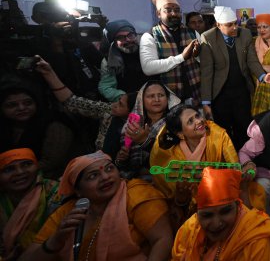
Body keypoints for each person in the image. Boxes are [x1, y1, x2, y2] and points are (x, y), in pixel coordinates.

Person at [19, 150, 173, 261]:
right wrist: (56, 240)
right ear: (78, 190)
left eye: (109, 169)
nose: (105, 177)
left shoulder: (137, 193)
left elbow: (162, 240)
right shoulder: (69, 212)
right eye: (93, 176)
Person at [150, 104, 266, 230]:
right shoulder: (172, 154)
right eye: (190, 121)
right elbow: (175, 198)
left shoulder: (217, 135)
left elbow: (235, 171)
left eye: (197, 116)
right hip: (193, 207)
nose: (199, 121)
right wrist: (182, 196)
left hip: (223, 193)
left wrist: (245, 169)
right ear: (180, 134)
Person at [171, 167, 270, 261]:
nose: (217, 223)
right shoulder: (190, 229)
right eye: (207, 215)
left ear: (238, 206)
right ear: (197, 214)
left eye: (225, 211)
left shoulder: (256, 240)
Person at [200, 6, 270, 150]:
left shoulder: (245, 34)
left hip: (241, 91)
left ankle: (245, 160)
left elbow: (251, 60)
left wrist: (263, 76)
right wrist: (206, 102)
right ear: (218, 25)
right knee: (224, 130)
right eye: (229, 25)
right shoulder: (209, 38)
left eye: (235, 23)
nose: (235, 27)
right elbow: (206, 72)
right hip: (220, 94)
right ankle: (229, 162)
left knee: (244, 127)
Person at [35, 57, 136, 154]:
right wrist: (49, 73)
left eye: (120, 105)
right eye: (118, 101)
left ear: (133, 111)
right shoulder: (109, 112)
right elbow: (72, 102)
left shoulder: (144, 130)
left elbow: (151, 169)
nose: (114, 105)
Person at [0, 76, 75, 180]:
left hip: (51, 180)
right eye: (12, 105)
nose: (21, 108)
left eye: (28, 103)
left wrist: (10, 173)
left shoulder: (54, 125)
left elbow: (50, 163)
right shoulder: (5, 127)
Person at [139, 0, 201, 106]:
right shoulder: (150, 36)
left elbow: (203, 62)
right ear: (158, 13)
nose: (174, 14)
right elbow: (148, 68)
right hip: (169, 100)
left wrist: (197, 56)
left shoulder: (192, 32)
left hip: (195, 94)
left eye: (177, 10)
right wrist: (181, 57)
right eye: (168, 10)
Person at [112, 80, 181, 179]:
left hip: (161, 180)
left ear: (168, 98)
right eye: (151, 96)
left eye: (161, 95)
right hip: (132, 180)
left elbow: (173, 158)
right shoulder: (133, 124)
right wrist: (122, 159)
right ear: (141, 100)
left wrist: (145, 141)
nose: (157, 99)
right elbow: (123, 165)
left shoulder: (175, 124)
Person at [0, 148, 60, 260]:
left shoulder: (55, 193)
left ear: (37, 167)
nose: (20, 172)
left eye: (27, 164)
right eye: (8, 169)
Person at [98, 19, 151, 102]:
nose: (128, 40)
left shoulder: (148, 51)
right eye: (121, 37)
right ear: (113, 42)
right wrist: (126, 98)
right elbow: (106, 87)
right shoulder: (109, 61)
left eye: (130, 35)